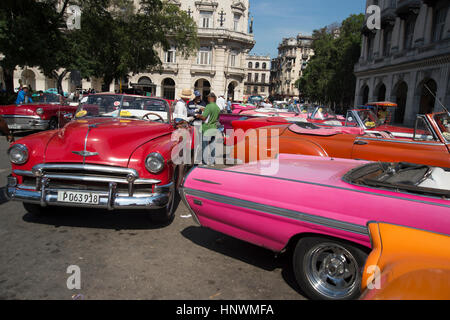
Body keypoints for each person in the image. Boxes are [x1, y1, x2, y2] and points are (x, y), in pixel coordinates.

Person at [195, 92, 221, 165]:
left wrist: (198, 116)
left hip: (207, 128)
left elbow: (204, 117)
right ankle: (213, 161)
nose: (207, 99)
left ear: (211, 98)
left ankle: (205, 161)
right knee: (213, 145)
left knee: (205, 145)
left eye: (208, 98)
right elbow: (217, 119)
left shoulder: (209, 106)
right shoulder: (217, 107)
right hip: (214, 127)